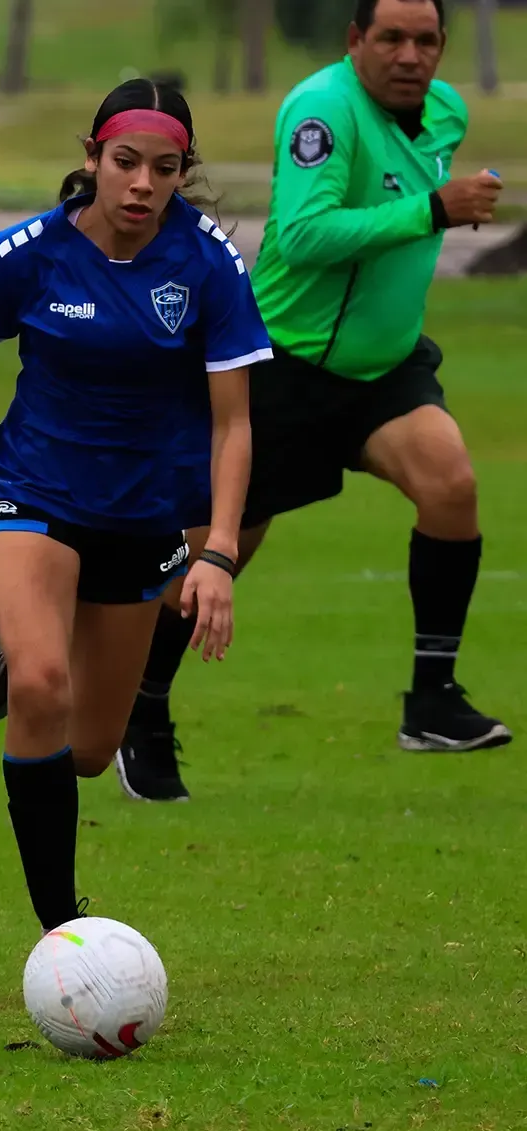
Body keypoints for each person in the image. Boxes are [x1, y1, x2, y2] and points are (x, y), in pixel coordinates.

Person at [109, 0, 509, 801]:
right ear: (354, 40)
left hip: (383, 369)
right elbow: (300, 236)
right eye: (390, 38)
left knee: (451, 486)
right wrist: (431, 209)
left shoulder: (446, 114)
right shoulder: (321, 110)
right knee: (210, 556)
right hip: (284, 366)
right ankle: (138, 714)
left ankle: (429, 701)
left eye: (425, 40)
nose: (409, 54)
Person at [0, 79, 265, 933]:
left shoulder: (208, 262)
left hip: (146, 515)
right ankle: (57, 932)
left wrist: (217, 550)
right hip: (32, 491)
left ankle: (13, 639)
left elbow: (233, 422)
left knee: (85, 751)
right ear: (90, 160)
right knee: (42, 687)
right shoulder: (26, 254)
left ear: (183, 173)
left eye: (164, 168)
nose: (142, 184)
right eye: (124, 163)